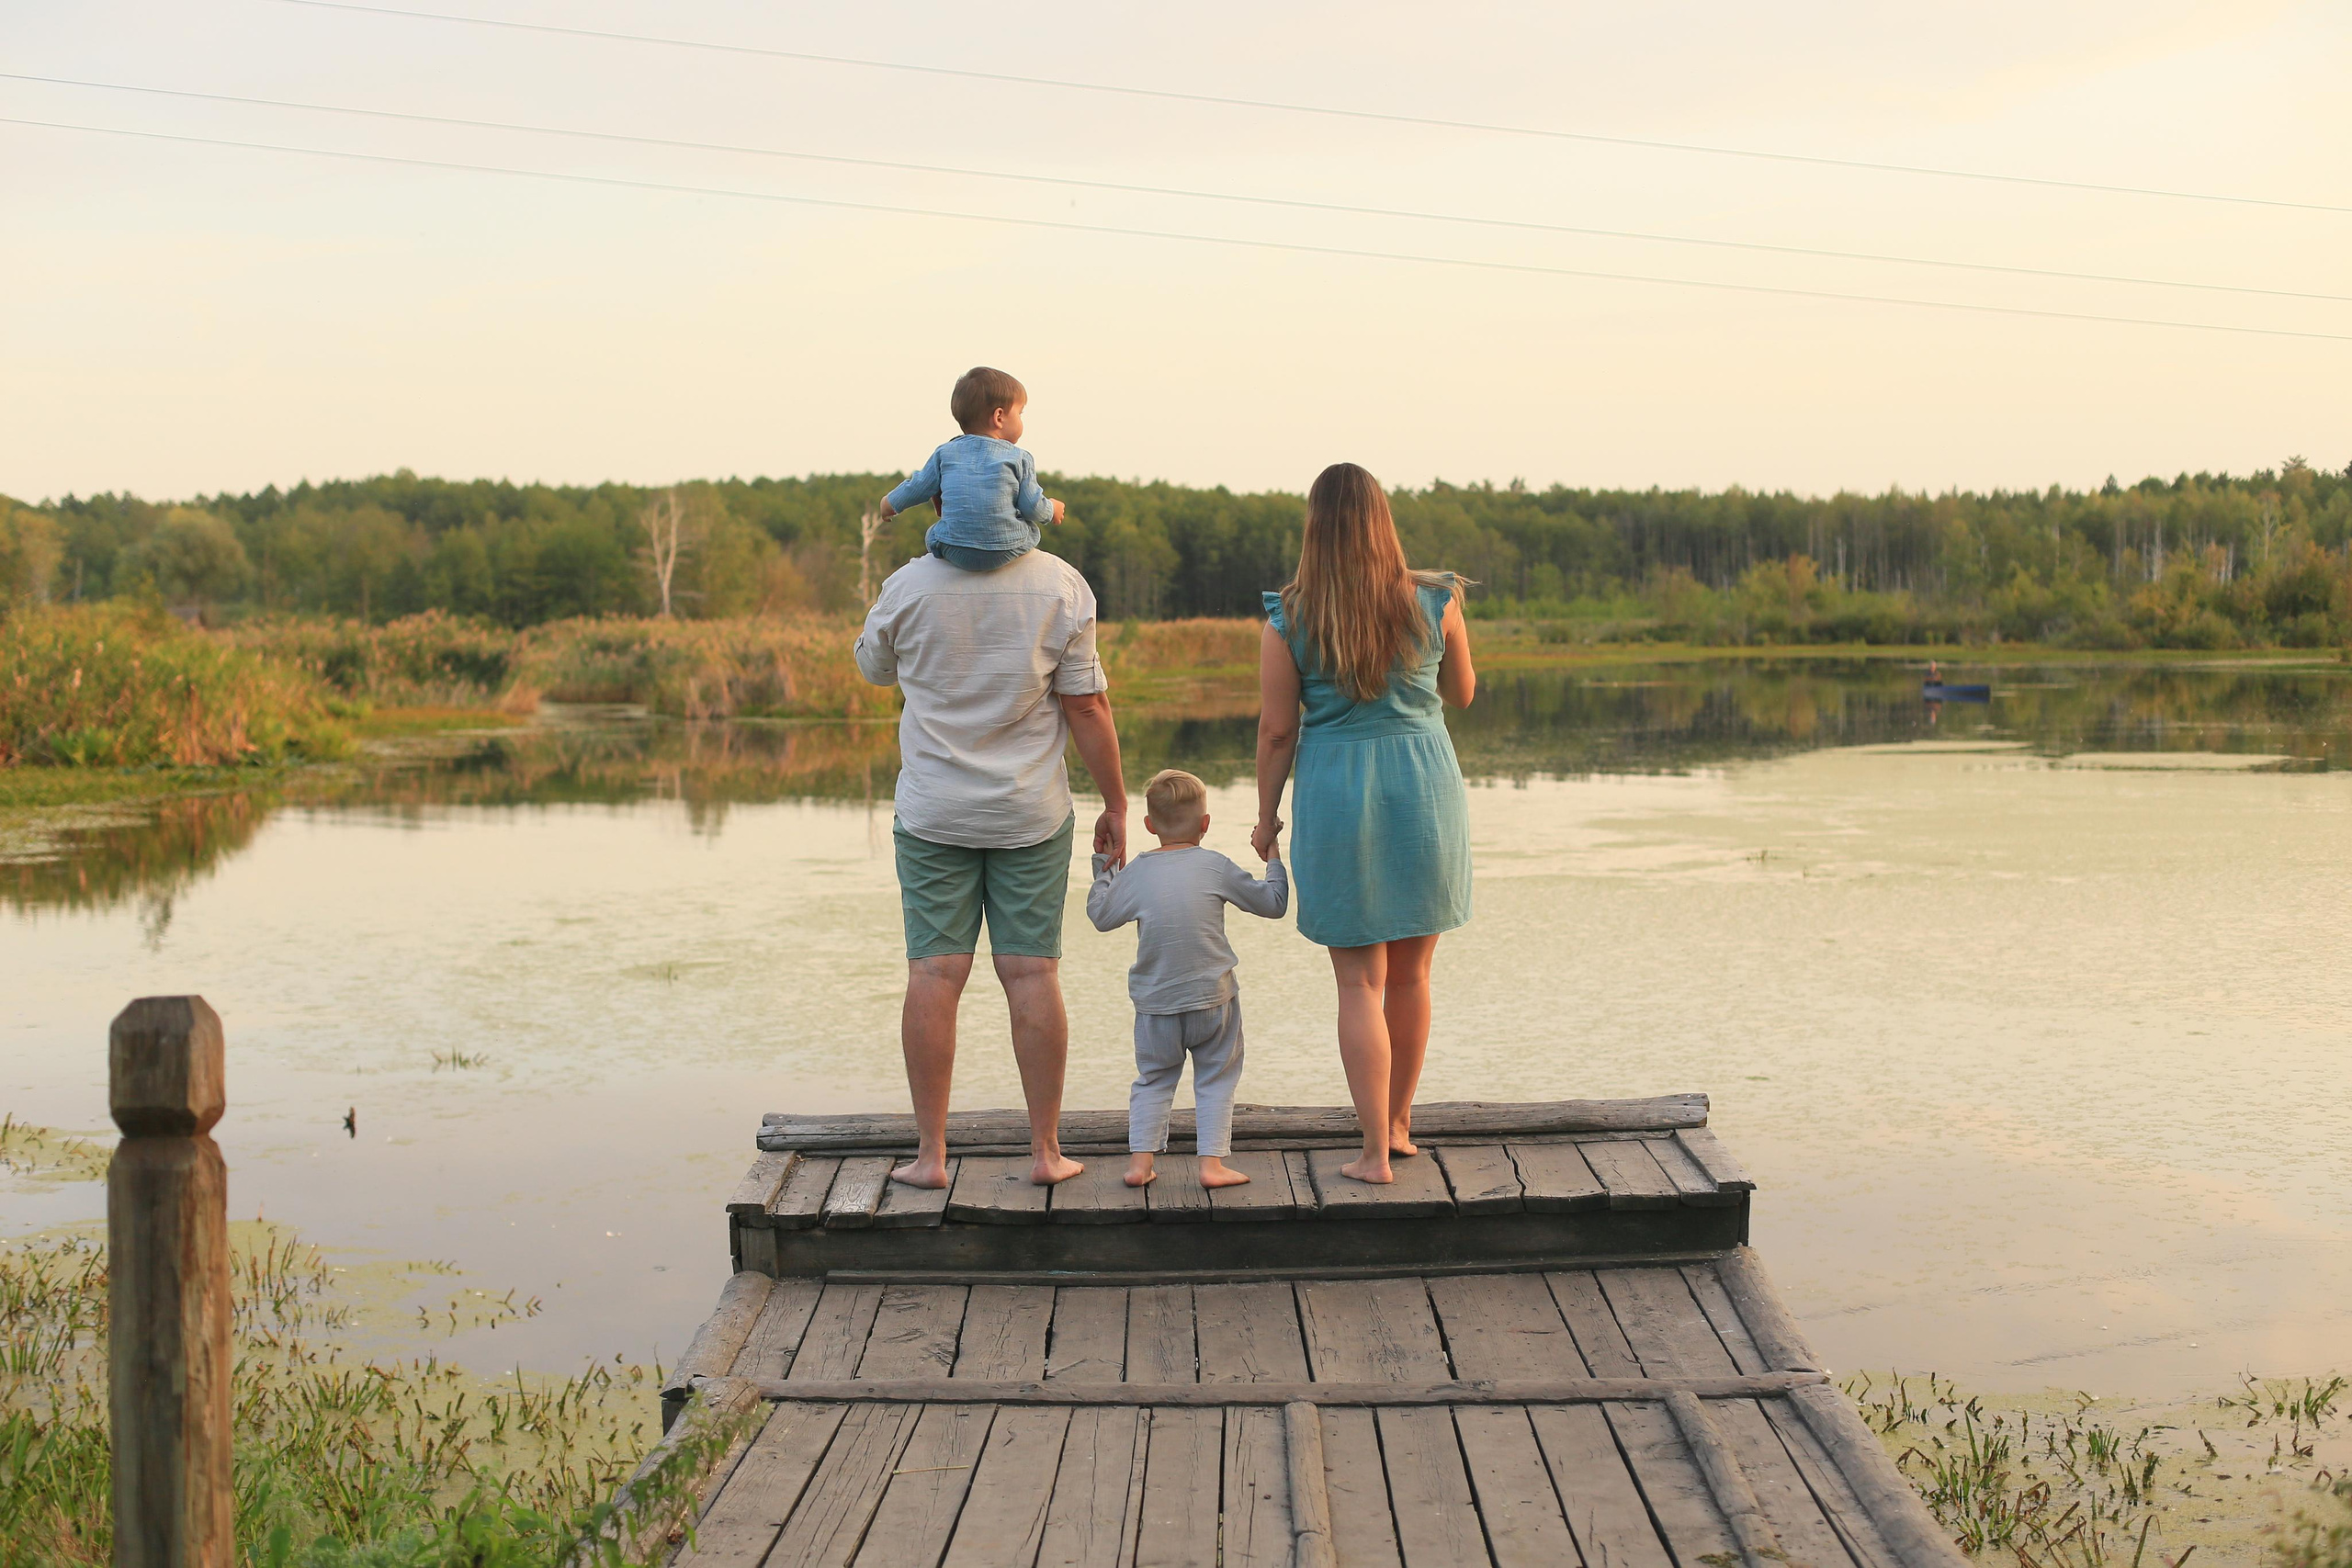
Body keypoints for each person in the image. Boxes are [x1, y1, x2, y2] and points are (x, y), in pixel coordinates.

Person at [853, 533, 1126, 1190]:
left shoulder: (907, 586)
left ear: (943, 504)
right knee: (1032, 972)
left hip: (933, 812)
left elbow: (872, 667)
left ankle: (930, 1156)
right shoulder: (1061, 583)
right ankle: (1045, 1152)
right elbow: (1085, 703)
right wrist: (1116, 801)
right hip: (1029, 811)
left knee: (935, 973)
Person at [1253, 462, 1476, 1186]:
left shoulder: (1289, 617)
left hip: (1338, 792)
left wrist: (1265, 819)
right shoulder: (1435, 600)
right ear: (1383, 521)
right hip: (1423, 787)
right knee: (1412, 975)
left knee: (1359, 987)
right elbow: (1463, 694)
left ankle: (1373, 1151)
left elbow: (1278, 732)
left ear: (1314, 529)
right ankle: (1401, 1127)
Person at [1086, 768, 1289, 1191]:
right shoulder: (1214, 865)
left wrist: (1103, 868)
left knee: (1154, 1078)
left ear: (1148, 826)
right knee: (1215, 1078)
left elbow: (1101, 916)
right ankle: (1212, 1166)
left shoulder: (1138, 873)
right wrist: (1273, 858)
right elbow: (1273, 904)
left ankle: (1140, 1164)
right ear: (1205, 823)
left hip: (1156, 1004)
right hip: (1214, 1000)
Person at [876, 367, 1066, 571]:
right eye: (1020, 413)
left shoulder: (944, 453)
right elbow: (1032, 507)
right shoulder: (1019, 457)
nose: (1021, 420)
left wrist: (889, 503)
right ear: (999, 417)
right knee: (1031, 530)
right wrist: (1052, 509)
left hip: (955, 550)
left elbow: (918, 487)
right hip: (1005, 549)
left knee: (934, 533)